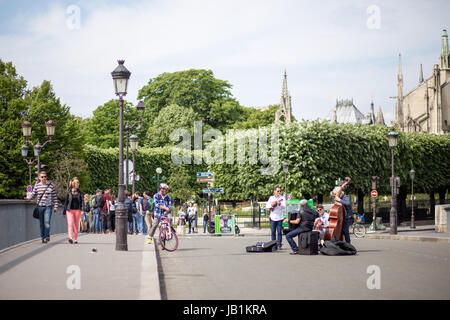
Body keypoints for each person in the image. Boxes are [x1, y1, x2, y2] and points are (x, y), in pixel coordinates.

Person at [25, 171, 58, 244]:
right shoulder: (37, 186)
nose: (44, 178)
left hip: (48, 206)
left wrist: (55, 206)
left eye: (45, 176)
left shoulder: (50, 185)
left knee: (47, 222)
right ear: (39, 178)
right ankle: (43, 238)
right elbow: (33, 194)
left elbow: (54, 197)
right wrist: (29, 198)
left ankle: (47, 236)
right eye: (42, 177)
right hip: (40, 206)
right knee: (41, 223)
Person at [63, 177, 85, 244]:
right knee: (70, 224)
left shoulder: (80, 192)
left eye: (78, 182)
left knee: (76, 225)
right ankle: (70, 238)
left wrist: (82, 210)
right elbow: (66, 202)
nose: (78, 184)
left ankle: (75, 238)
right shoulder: (69, 192)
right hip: (69, 210)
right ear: (73, 184)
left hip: (77, 210)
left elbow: (82, 201)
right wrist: (64, 211)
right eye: (77, 182)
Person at [333, 177, 354, 243]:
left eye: (335, 194)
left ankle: (348, 244)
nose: (335, 196)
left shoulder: (346, 197)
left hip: (348, 217)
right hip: (342, 218)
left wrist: (339, 200)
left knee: (345, 230)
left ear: (340, 193)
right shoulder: (338, 198)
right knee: (340, 231)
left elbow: (347, 203)